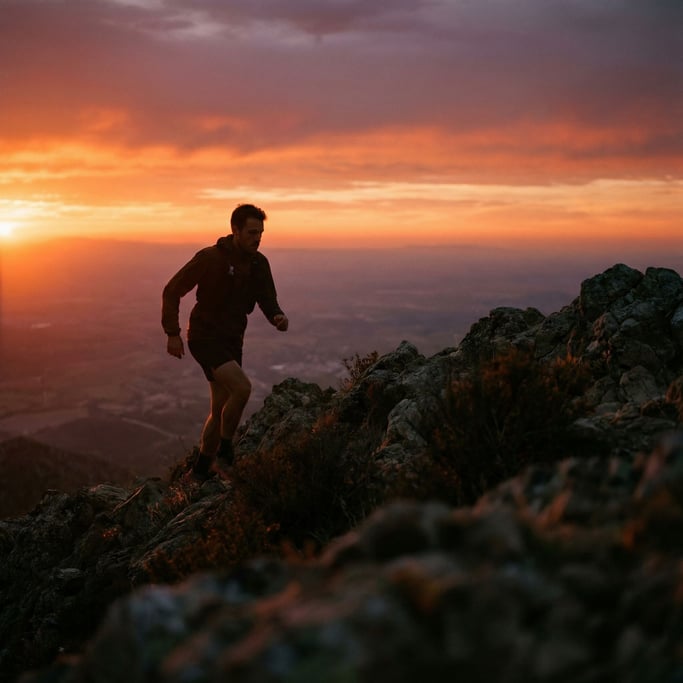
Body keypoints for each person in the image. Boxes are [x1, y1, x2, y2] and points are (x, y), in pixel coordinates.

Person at [162, 203, 288, 479]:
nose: (257, 238)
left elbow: (268, 298)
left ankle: (199, 472)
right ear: (235, 230)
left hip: (233, 339)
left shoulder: (259, 263)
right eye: (252, 232)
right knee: (241, 389)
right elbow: (172, 290)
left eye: (261, 234)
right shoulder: (210, 258)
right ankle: (226, 451)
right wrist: (172, 333)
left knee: (220, 405)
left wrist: (277, 316)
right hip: (204, 336)